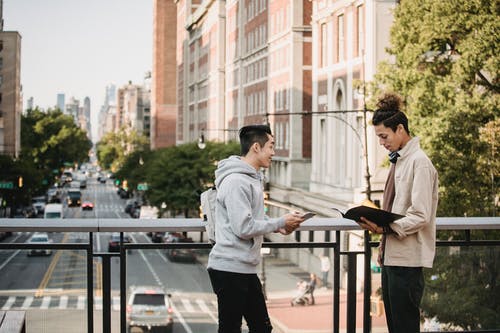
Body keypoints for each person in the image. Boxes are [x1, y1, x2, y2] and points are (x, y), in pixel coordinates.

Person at [207, 124, 306, 333]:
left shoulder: (251, 178)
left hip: (243, 267)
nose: (273, 152)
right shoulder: (236, 181)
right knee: (231, 328)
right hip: (229, 267)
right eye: (271, 146)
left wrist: (280, 227)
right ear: (256, 147)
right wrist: (279, 222)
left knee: (261, 327)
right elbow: (243, 227)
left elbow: (252, 218)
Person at [359, 93, 438, 333]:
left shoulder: (419, 162)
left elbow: (421, 214)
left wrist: (384, 227)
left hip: (408, 263)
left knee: (404, 327)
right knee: (395, 327)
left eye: (384, 136)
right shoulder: (400, 161)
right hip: (391, 258)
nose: (382, 143)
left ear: (400, 129)